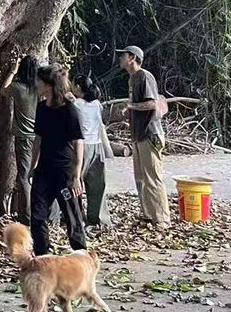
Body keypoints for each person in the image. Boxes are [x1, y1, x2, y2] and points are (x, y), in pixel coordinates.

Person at [30, 64, 87, 256]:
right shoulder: (40, 108)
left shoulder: (69, 110)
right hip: (44, 171)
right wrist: (33, 165)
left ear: (49, 85)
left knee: (72, 216)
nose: (35, 84)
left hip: (65, 172)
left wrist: (76, 174)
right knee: (38, 216)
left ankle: (81, 257)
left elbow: (78, 141)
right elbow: (38, 138)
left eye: (39, 81)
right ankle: (42, 256)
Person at [117, 45, 171, 228]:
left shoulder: (145, 77)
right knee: (140, 178)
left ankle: (162, 219)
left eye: (123, 55)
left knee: (153, 177)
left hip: (150, 134)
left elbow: (151, 104)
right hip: (138, 135)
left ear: (132, 58)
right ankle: (149, 214)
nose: (120, 59)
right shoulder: (132, 79)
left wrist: (131, 107)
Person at [1, 55, 40, 223]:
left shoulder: (18, 88)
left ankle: (27, 216)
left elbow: (4, 90)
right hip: (40, 136)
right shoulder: (40, 88)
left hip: (24, 138)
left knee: (24, 177)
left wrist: (12, 70)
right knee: (37, 174)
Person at [72, 73, 113, 228]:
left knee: (75, 182)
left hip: (81, 146)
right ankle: (99, 217)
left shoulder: (76, 105)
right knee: (97, 184)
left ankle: (77, 216)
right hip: (97, 145)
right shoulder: (96, 103)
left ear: (77, 87)